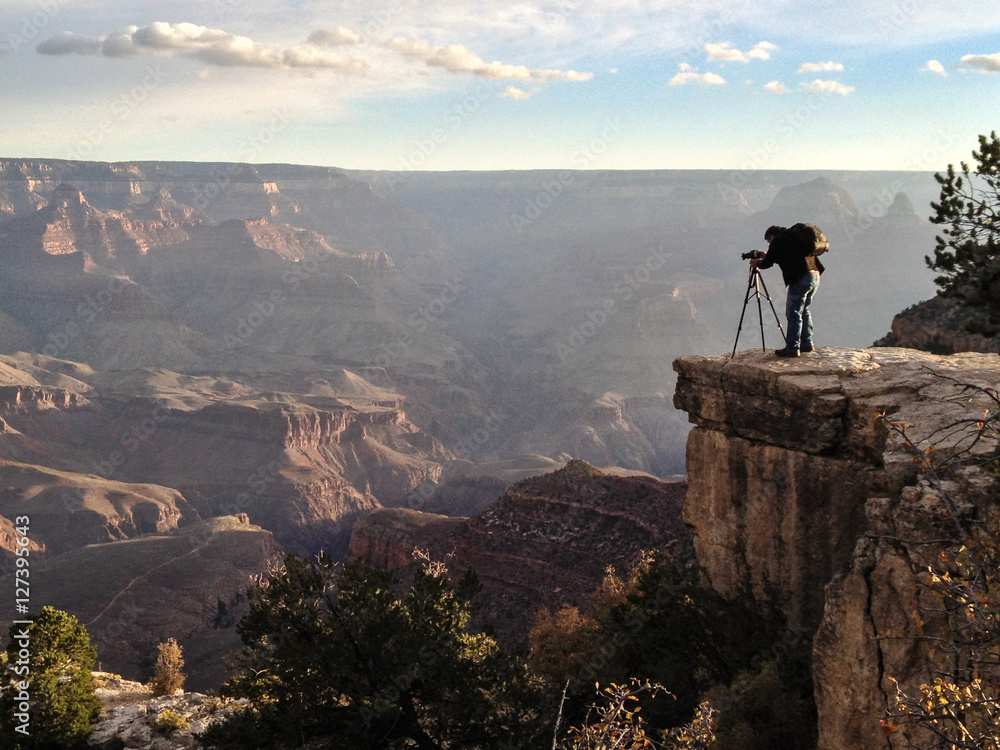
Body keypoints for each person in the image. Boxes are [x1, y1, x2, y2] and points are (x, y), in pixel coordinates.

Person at [750, 224, 824, 357]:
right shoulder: (793, 237)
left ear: (772, 236)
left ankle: (792, 348)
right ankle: (807, 344)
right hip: (814, 276)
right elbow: (785, 255)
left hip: (800, 278)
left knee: (793, 312)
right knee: (804, 310)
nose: (769, 243)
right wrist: (765, 255)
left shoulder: (779, 239)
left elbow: (767, 263)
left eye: (768, 241)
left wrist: (758, 263)